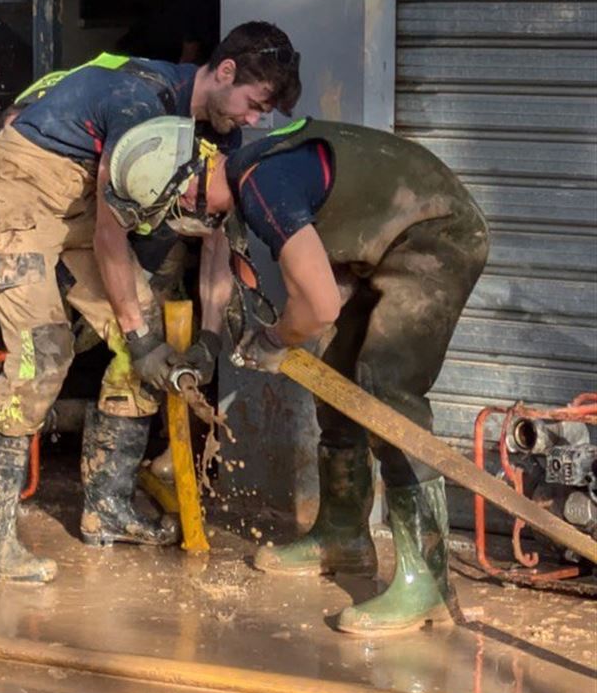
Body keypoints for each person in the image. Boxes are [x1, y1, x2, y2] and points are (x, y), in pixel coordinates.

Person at [107, 112, 490, 635]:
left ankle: (427, 581)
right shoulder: (245, 177)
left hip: (436, 236)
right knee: (335, 373)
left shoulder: (263, 186)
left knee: (386, 385)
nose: (177, 226)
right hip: (384, 244)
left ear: (189, 187)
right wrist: (216, 342)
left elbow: (321, 306)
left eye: (170, 212)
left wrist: (275, 340)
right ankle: (343, 534)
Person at [0, 23, 301, 584]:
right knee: (44, 351)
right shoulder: (141, 105)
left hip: (85, 209)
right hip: (24, 185)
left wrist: (209, 341)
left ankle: (108, 508)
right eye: (255, 103)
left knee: (154, 359)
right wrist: (136, 335)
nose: (255, 119)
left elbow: (217, 237)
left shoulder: (219, 137)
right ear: (225, 72)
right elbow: (110, 233)